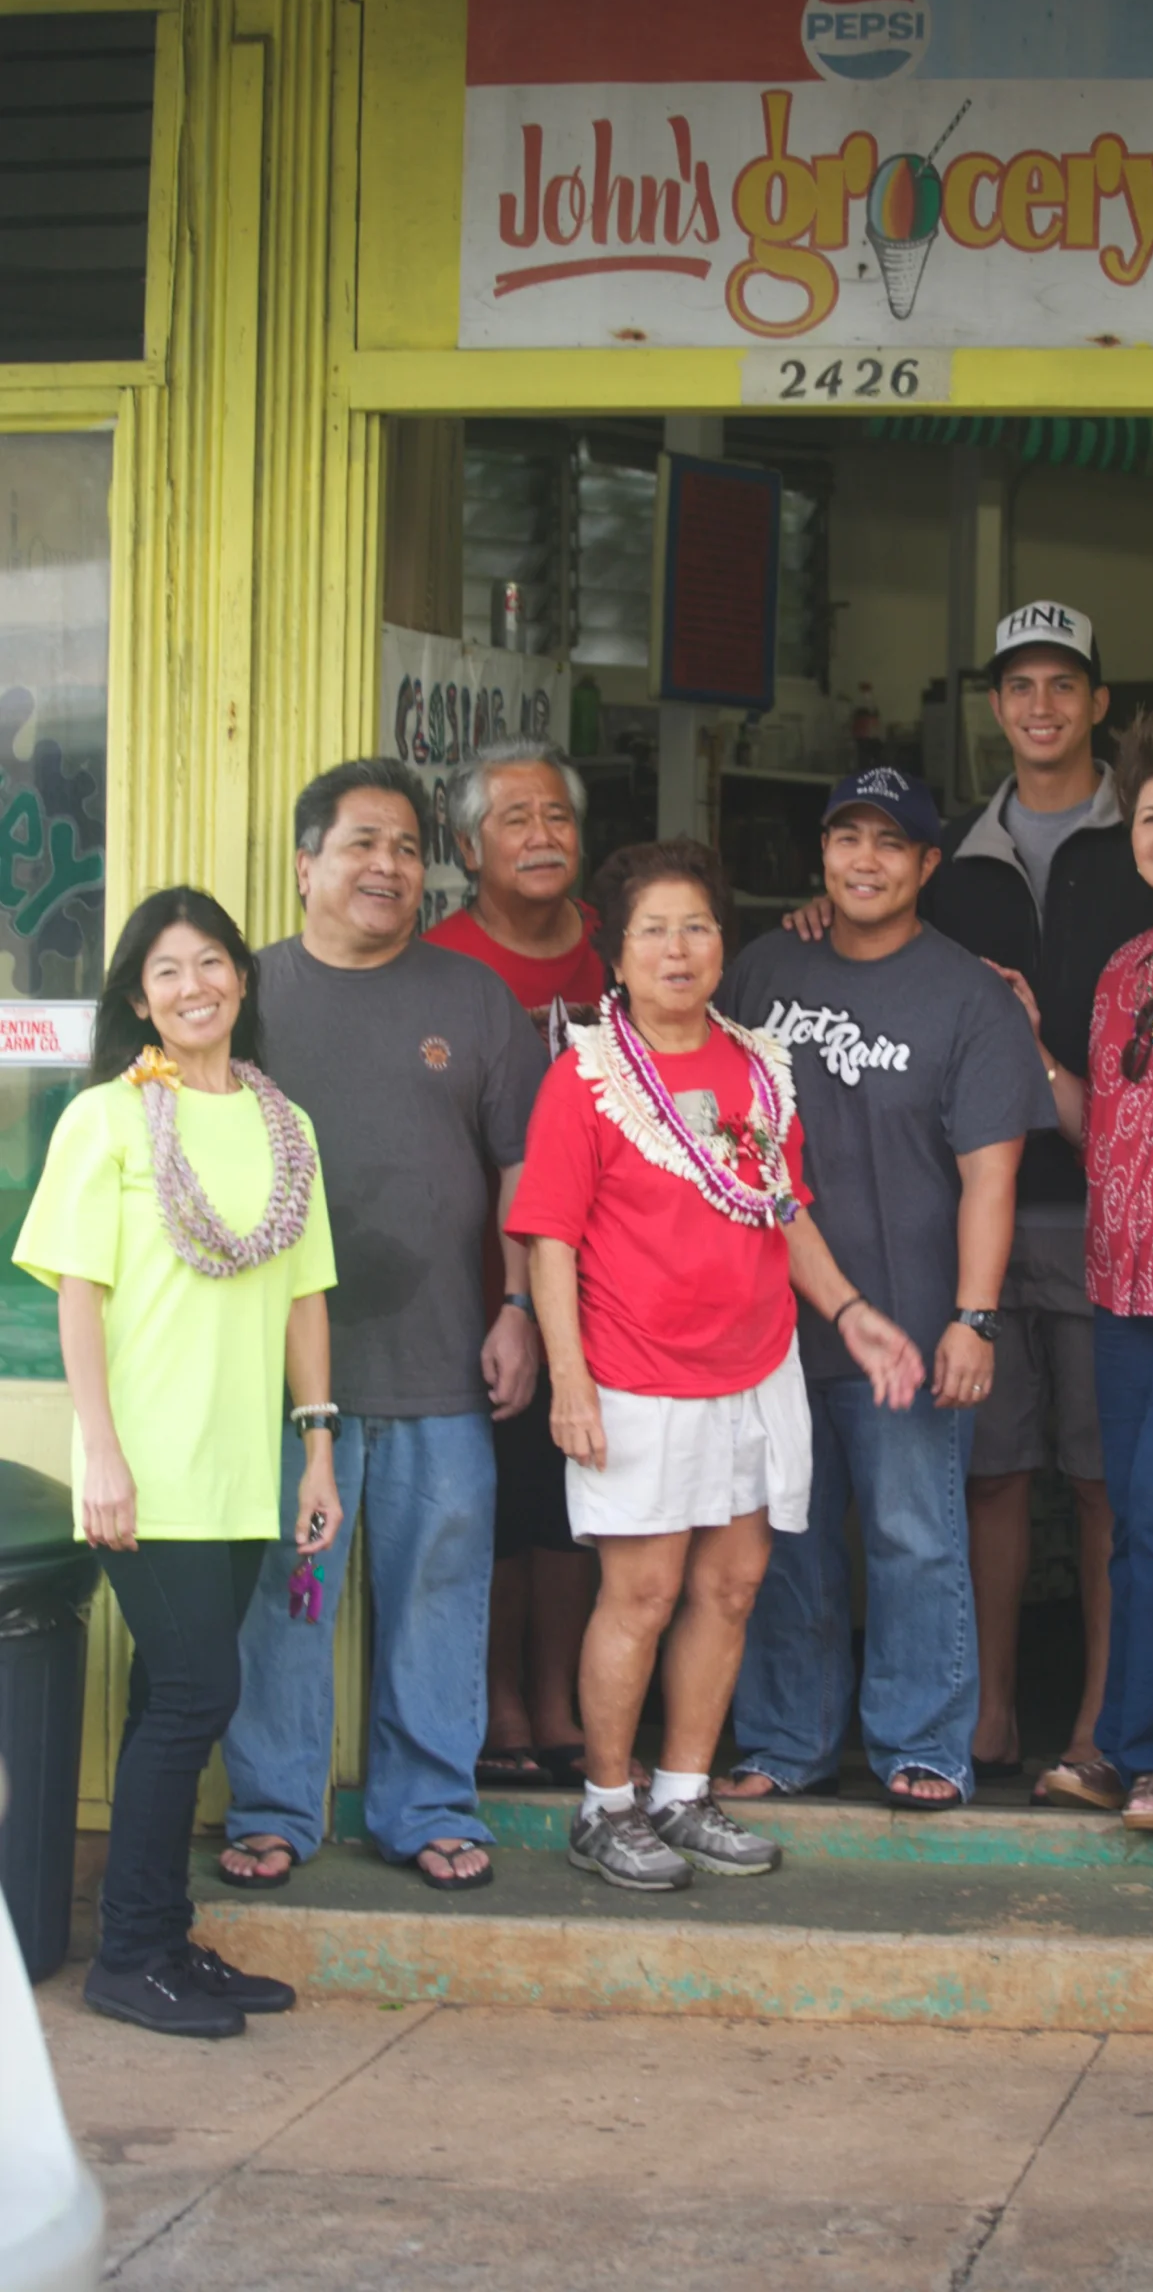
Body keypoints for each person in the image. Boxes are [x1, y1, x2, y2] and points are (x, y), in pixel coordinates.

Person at [509, 838, 925, 1892]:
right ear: (620, 951)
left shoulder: (755, 1063)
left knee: (733, 1586)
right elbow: (550, 1236)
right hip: (635, 1376)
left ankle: (684, 1793)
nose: (679, 948)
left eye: (697, 926)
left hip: (757, 1367)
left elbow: (782, 1214)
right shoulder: (587, 1077)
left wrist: (853, 1312)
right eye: (655, 929)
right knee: (641, 1593)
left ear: (723, 944)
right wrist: (568, 1380)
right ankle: (608, 1805)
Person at [13, 889, 340, 2038]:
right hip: (145, 1467)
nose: (193, 985)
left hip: (245, 1466)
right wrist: (97, 1450)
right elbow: (79, 1297)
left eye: (212, 963)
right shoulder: (105, 1118)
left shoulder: (281, 1123)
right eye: (166, 971)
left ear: (242, 981)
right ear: (139, 997)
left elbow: (304, 1297)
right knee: (203, 1690)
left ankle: (160, 1937)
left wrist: (317, 1451)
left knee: (169, 1693)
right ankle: (130, 1956)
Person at [218, 757, 547, 1896]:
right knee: (286, 1597)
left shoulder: (473, 1002)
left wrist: (517, 1311)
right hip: (288, 1382)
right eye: (362, 844)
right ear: (306, 864)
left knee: (438, 1591)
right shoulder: (245, 998)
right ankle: (271, 1808)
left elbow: (525, 1175)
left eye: (407, 848)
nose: (387, 866)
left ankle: (429, 1808)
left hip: (446, 1363)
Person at [715, 767, 1048, 1809]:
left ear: (927, 866)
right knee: (785, 1543)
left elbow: (991, 1175)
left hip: (904, 1325)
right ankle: (783, 1742)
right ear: (822, 857)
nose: (865, 861)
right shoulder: (764, 971)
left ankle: (924, 1746)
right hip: (769, 1323)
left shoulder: (970, 997)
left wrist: (973, 1318)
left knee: (915, 1539)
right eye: (846, 840)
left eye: (890, 845)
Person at [997, 713, 1153, 1832]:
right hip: (1119, 1286)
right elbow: (1104, 1132)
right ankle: (1126, 1748)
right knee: (1144, 1521)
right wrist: (1030, 1049)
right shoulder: (1125, 970)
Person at [428, 742, 607, 1791]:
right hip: (473, 1283)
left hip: (599, 1281)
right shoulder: (439, 961)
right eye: (514, 820)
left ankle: (559, 1695)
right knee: (492, 1497)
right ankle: (497, 1697)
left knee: (570, 1498)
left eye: (558, 817)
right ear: (467, 847)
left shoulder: (621, 952)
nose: (542, 837)